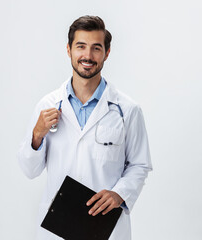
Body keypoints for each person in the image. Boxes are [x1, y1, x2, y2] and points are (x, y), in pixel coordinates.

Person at [17, 15, 152, 240]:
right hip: (56, 229)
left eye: (96, 48)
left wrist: (120, 193)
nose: (87, 56)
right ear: (69, 50)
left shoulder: (127, 110)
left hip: (105, 228)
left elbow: (140, 164)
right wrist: (37, 135)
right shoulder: (48, 105)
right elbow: (29, 170)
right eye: (81, 47)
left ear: (106, 53)